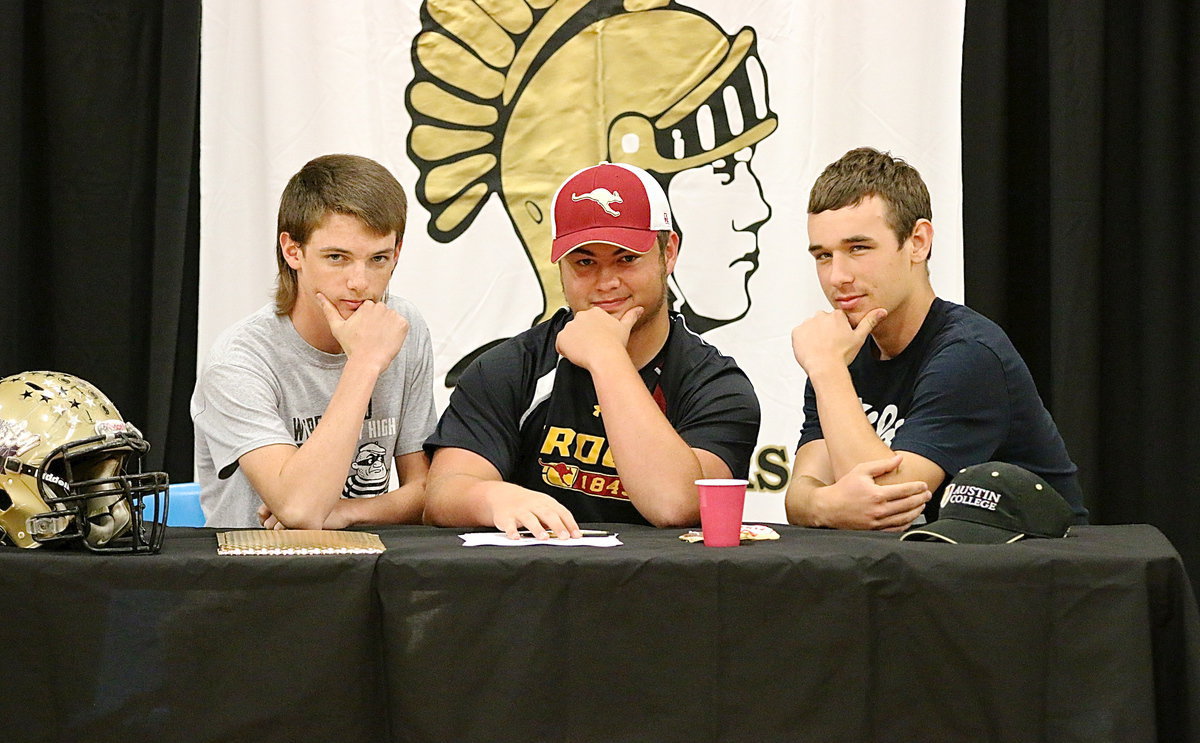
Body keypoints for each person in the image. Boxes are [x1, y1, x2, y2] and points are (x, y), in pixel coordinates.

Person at [423, 162, 761, 538]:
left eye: (626, 258)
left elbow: (675, 505)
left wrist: (606, 357)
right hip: (537, 586)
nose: (606, 282)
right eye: (585, 262)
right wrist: (492, 497)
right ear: (561, 267)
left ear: (669, 253)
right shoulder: (510, 368)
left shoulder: (716, 385)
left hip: (667, 593)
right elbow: (442, 493)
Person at [786, 147, 1087, 531]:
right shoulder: (841, 353)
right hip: (932, 568)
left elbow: (886, 506)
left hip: (1035, 573)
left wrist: (827, 370)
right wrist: (822, 505)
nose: (836, 277)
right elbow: (800, 495)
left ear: (918, 242)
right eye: (823, 256)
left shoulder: (969, 354)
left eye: (858, 248)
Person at [191, 154, 436, 529]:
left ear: (397, 253)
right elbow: (301, 510)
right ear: (293, 251)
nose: (360, 282)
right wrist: (364, 363)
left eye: (378, 259)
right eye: (337, 257)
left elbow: (427, 491)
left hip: (361, 569)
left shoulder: (403, 326)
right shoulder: (239, 360)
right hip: (253, 576)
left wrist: (346, 511)